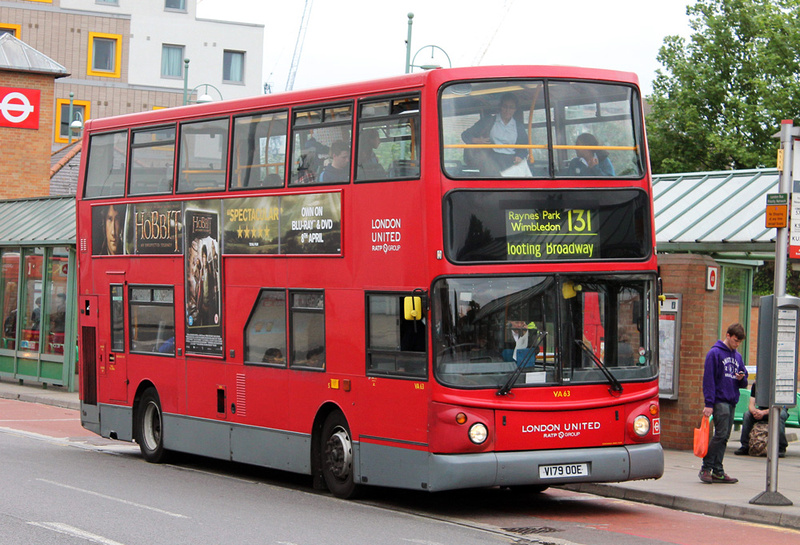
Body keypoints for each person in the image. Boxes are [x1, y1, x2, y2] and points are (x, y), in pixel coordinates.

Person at [699, 323, 748, 484]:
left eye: (739, 342)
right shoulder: (714, 353)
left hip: (732, 399)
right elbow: (709, 381)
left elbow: (743, 381)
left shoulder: (738, 356)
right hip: (719, 400)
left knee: (725, 436)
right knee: (720, 434)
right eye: (735, 340)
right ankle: (706, 468)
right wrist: (709, 403)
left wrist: (742, 378)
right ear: (728, 335)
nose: (737, 344)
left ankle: (718, 470)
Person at [461, 92, 529, 176]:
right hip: (491, 162)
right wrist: (477, 140)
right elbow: (465, 135)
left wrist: (520, 156)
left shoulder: (518, 126)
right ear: (500, 107)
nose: (508, 110)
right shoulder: (488, 121)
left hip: (511, 162)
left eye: (511, 107)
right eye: (505, 106)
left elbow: (524, 147)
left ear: (515, 109)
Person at [734, 381, 789, 457]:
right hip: (761, 409)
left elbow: (781, 406)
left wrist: (763, 412)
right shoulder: (756, 384)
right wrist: (754, 412)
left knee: (780, 416)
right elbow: (751, 404)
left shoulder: (780, 384)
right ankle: (745, 445)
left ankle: (781, 447)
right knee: (747, 415)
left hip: (778, 409)